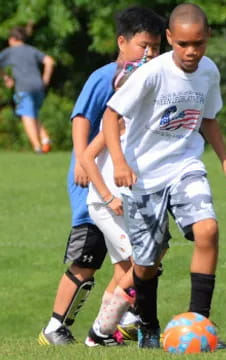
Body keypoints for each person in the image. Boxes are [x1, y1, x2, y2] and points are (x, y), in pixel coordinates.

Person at [102, 3, 226, 349]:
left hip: (185, 166)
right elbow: (111, 114)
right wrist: (119, 163)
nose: (191, 51)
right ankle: (148, 326)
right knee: (147, 263)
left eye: (198, 43)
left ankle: (201, 324)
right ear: (169, 38)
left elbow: (208, 118)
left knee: (208, 228)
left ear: (208, 37)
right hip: (143, 177)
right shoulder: (152, 73)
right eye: (183, 44)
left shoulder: (209, 72)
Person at [37, 6, 165, 346]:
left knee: (135, 262)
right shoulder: (105, 76)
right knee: (88, 257)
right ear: (122, 42)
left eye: (156, 47)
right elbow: (81, 119)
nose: (149, 53)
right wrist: (82, 159)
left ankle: (116, 324)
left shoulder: (152, 79)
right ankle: (55, 326)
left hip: (122, 183)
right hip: (91, 179)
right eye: (143, 46)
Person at [80, 51, 152, 347]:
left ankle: (104, 333)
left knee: (125, 270)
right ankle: (103, 331)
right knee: (143, 262)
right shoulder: (118, 121)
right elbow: (86, 157)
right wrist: (108, 198)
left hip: (125, 206)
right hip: (105, 205)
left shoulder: (142, 124)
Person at [0, 25, 54, 153]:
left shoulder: (10, 51)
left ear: (12, 39)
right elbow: (49, 61)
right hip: (38, 87)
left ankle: (37, 147)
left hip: (23, 87)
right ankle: (45, 139)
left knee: (26, 115)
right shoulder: (31, 50)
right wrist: (45, 80)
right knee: (32, 113)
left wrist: (6, 78)